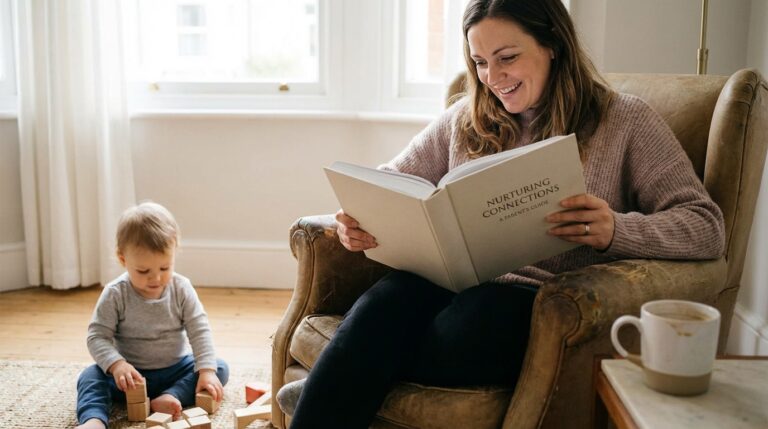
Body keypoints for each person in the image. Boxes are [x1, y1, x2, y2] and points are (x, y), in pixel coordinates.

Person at [278, 0, 725, 427]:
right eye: (479, 62)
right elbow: (390, 178)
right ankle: (340, 388)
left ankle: (338, 385)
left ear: (553, 45)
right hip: (446, 281)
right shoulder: (464, 117)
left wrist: (614, 229)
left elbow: (705, 226)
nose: (493, 76)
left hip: (537, 299)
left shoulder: (626, 121)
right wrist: (358, 218)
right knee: (380, 304)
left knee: (462, 329)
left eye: (507, 57)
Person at [75, 202, 229, 429]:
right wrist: (117, 365)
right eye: (143, 271)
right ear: (122, 259)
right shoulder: (115, 293)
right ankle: (94, 420)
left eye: (165, 268)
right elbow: (96, 336)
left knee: (219, 367)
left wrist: (206, 371)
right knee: (90, 377)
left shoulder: (181, 288)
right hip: (129, 377)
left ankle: (170, 396)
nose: (156, 279)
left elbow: (199, 329)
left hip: (175, 368)